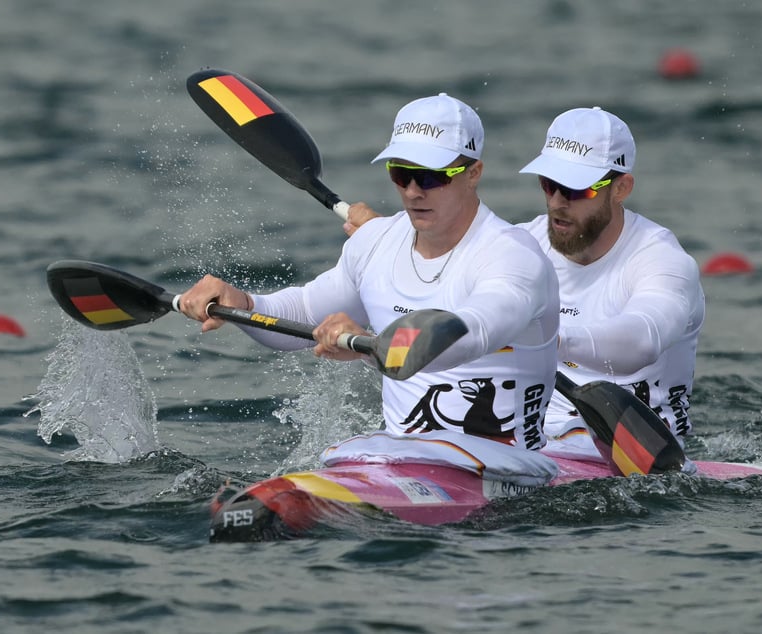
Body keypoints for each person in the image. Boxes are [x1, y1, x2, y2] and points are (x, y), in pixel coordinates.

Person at [179, 93, 561, 474]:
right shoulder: (376, 242)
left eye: (430, 176)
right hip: (404, 463)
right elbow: (306, 313)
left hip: (504, 471)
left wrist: (367, 346)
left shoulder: (512, 257)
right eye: (401, 173)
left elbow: (471, 333)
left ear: (474, 173)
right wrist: (243, 304)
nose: (413, 190)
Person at [346, 106, 705, 464]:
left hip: (627, 456)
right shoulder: (521, 247)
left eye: (577, 190)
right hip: (534, 451)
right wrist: (393, 238)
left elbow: (643, 339)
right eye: (549, 185)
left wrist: (547, 339)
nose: (558, 202)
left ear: (622, 187)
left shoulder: (662, 262)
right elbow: (456, 314)